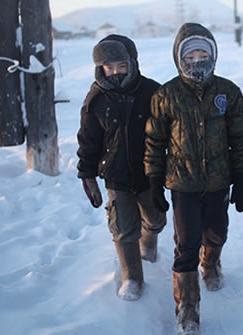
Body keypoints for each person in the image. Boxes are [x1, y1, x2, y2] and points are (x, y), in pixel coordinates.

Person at [144, 22, 243, 335]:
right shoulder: (166, 95)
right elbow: (155, 141)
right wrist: (154, 179)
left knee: (216, 232)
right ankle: (187, 308)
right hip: (182, 183)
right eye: (189, 55)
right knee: (186, 243)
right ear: (179, 58)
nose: (196, 60)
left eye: (203, 53)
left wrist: (242, 179)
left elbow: (241, 138)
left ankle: (212, 261)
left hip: (219, 180)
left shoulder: (228, 92)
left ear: (213, 55)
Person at [76, 34, 166, 301]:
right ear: (100, 68)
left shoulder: (152, 92)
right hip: (116, 175)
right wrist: (87, 174)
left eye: (121, 65)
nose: (115, 72)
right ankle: (132, 278)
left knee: (155, 219)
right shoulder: (96, 98)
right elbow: (88, 139)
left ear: (132, 62)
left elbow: (169, 133)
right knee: (123, 228)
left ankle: (149, 243)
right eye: (108, 67)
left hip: (149, 174)